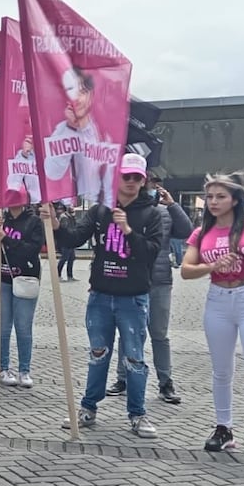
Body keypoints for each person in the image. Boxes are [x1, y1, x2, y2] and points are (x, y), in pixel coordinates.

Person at [51, 152, 163, 438]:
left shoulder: (151, 214)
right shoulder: (100, 210)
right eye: (126, 176)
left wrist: (127, 230)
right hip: (101, 296)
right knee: (98, 354)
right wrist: (55, 225)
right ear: (117, 177)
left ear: (144, 180)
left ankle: (137, 413)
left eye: (137, 178)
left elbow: (150, 253)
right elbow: (74, 238)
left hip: (133, 299)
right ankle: (89, 407)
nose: (131, 182)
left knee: (135, 358)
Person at [179, 173, 244, 463]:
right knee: (221, 371)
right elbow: (186, 270)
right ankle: (224, 428)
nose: (213, 202)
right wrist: (212, 264)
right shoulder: (201, 233)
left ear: (236, 199)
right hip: (218, 301)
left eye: (220, 196)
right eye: (209, 196)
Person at [107, 176, 193, 404]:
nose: (152, 187)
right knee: (128, 333)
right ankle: (122, 378)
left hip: (159, 281)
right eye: (150, 183)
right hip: (132, 280)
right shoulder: (129, 213)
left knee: (159, 333)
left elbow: (186, 231)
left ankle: (165, 382)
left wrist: (172, 205)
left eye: (156, 184)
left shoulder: (163, 213)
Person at [0, 204, 44, 387]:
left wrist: (7, 239)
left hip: (24, 279)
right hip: (2, 279)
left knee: (23, 327)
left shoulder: (34, 221)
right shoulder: (1, 219)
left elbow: (32, 250)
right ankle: (2, 368)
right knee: (2, 327)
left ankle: (24, 370)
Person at [45, 67, 106, 202]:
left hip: (101, 204)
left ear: (91, 95)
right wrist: (70, 129)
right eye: (72, 91)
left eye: (83, 92)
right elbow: (52, 172)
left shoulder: (104, 131)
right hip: (74, 206)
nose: (77, 98)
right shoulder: (61, 130)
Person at [56, 203, 79, 282]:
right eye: (71, 206)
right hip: (65, 241)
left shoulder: (70, 216)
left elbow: (75, 226)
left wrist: (73, 216)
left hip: (70, 241)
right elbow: (65, 229)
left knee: (71, 258)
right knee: (64, 258)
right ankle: (58, 275)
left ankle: (70, 276)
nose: (72, 208)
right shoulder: (64, 217)